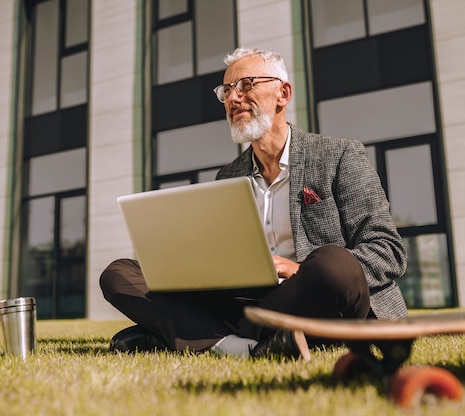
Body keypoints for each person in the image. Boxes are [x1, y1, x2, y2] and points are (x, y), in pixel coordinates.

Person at [100, 47, 407, 359]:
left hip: (313, 295)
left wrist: (300, 269)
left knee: (334, 264)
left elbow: (388, 251)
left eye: (246, 85)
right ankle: (239, 346)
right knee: (119, 274)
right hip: (245, 303)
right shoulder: (229, 177)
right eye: (227, 91)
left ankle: (188, 334)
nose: (233, 99)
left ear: (282, 94)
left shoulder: (339, 156)